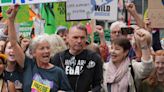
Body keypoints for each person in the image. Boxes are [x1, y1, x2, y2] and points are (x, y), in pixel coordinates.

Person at [7, 5, 72, 92]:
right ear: (33, 53)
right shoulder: (28, 65)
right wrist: (11, 20)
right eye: (42, 48)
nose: (46, 51)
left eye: (48, 48)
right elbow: (14, 43)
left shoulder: (58, 72)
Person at [52, 24, 103, 92]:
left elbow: (99, 84)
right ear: (67, 38)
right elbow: (51, 82)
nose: (79, 41)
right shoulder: (58, 58)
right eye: (75, 37)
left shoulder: (94, 58)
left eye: (82, 38)